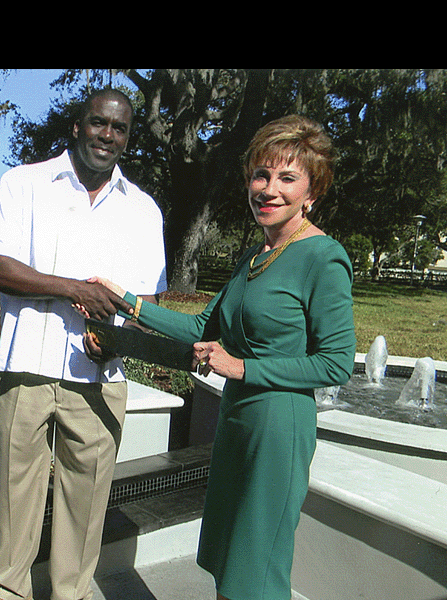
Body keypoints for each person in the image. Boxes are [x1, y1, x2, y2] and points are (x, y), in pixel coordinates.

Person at [86, 114, 356, 600]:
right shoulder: (253, 257)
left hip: (277, 426)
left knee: (257, 565)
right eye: (261, 175)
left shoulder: (324, 257)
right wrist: (126, 301)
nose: (269, 189)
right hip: (237, 419)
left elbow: (336, 363)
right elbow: (200, 328)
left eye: (287, 178)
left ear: (311, 193)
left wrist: (241, 367)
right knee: (227, 556)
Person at [0, 88, 167, 600]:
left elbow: (145, 304)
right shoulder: (24, 184)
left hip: (99, 378)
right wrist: (75, 289)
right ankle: (9, 593)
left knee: (86, 504)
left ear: (128, 137)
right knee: (15, 496)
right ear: (77, 126)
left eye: (119, 128)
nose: (107, 135)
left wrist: (116, 342)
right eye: (98, 122)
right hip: (27, 367)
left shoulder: (143, 210)